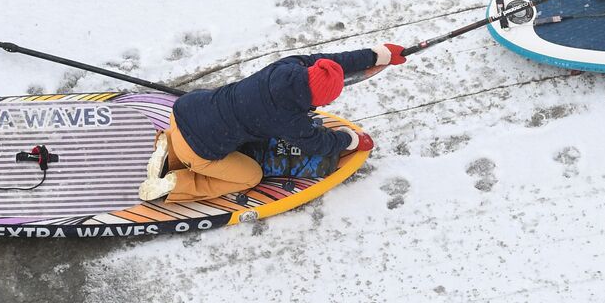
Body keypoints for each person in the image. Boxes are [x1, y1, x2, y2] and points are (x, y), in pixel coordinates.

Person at [138, 44, 405, 203]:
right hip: (199, 150)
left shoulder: (287, 67)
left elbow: (330, 61)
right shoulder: (288, 118)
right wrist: (352, 139)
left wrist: (377, 54)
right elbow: (318, 144)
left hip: (185, 111)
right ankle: (176, 182)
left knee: (233, 126)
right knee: (249, 175)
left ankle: (169, 144)